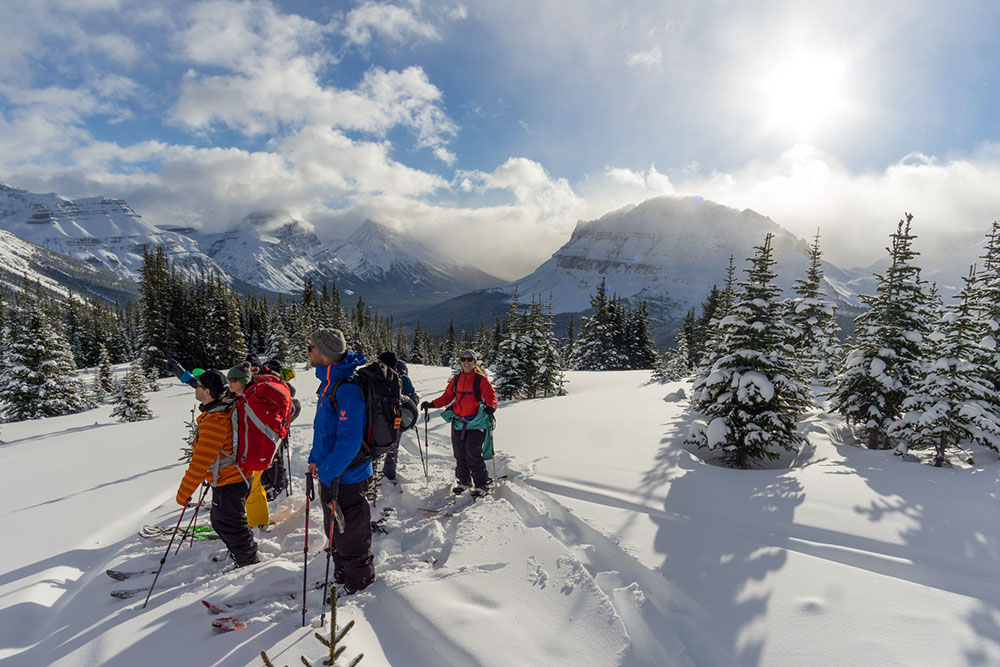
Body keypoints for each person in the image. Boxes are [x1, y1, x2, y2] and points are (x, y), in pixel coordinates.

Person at [306, 328, 375, 595]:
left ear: (324, 352)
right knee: (335, 529)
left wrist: (327, 471)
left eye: (310, 346)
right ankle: (344, 575)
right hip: (332, 472)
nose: (308, 351)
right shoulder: (329, 383)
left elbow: (349, 441)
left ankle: (360, 582)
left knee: (352, 532)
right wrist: (316, 460)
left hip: (348, 476)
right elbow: (325, 429)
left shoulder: (346, 388)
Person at [175, 369, 259, 567]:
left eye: (199, 386)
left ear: (207, 392)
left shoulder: (214, 421)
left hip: (231, 481)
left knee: (230, 524)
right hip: (233, 476)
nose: (195, 388)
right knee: (221, 521)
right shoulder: (224, 404)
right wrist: (182, 374)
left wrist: (183, 493)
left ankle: (249, 562)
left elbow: (199, 463)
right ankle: (242, 555)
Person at [421, 349, 498, 497]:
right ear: (461, 362)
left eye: (470, 360)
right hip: (458, 423)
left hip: (476, 423)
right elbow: (447, 397)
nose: (467, 362)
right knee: (459, 454)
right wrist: (431, 404)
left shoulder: (480, 380)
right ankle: (464, 481)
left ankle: (482, 484)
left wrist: (491, 407)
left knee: (473, 453)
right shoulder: (456, 379)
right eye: (464, 359)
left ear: (475, 362)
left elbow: (490, 395)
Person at [227, 362, 270, 531]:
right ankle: (257, 520)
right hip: (251, 450)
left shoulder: (251, 399)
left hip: (255, 450)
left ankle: (258, 522)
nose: (230, 383)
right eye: (229, 379)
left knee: (252, 487)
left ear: (244, 380)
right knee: (253, 486)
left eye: (234, 379)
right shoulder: (241, 396)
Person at [377, 351, 410, 481]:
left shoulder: (401, 379)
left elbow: (412, 397)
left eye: (381, 362)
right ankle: (386, 473)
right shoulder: (378, 376)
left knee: (392, 446)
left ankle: (388, 474)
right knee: (391, 446)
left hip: (393, 417)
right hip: (386, 416)